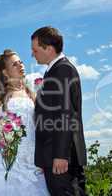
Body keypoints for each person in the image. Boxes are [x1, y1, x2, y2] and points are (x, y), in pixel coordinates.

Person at [0, 49, 50, 196]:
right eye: (14, 64)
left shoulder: (31, 93)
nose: (20, 66)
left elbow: (40, 126)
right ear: (5, 72)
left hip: (33, 160)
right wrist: (7, 140)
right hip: (8, 159)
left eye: (21, 62)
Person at [31, 26, 87, 196]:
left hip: (61, 156)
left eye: (35, 49)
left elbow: (65, 113)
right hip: (53, 155)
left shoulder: (62, 70)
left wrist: (61, 155)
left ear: (48, 48)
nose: (32, 54)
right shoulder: (53, 71)